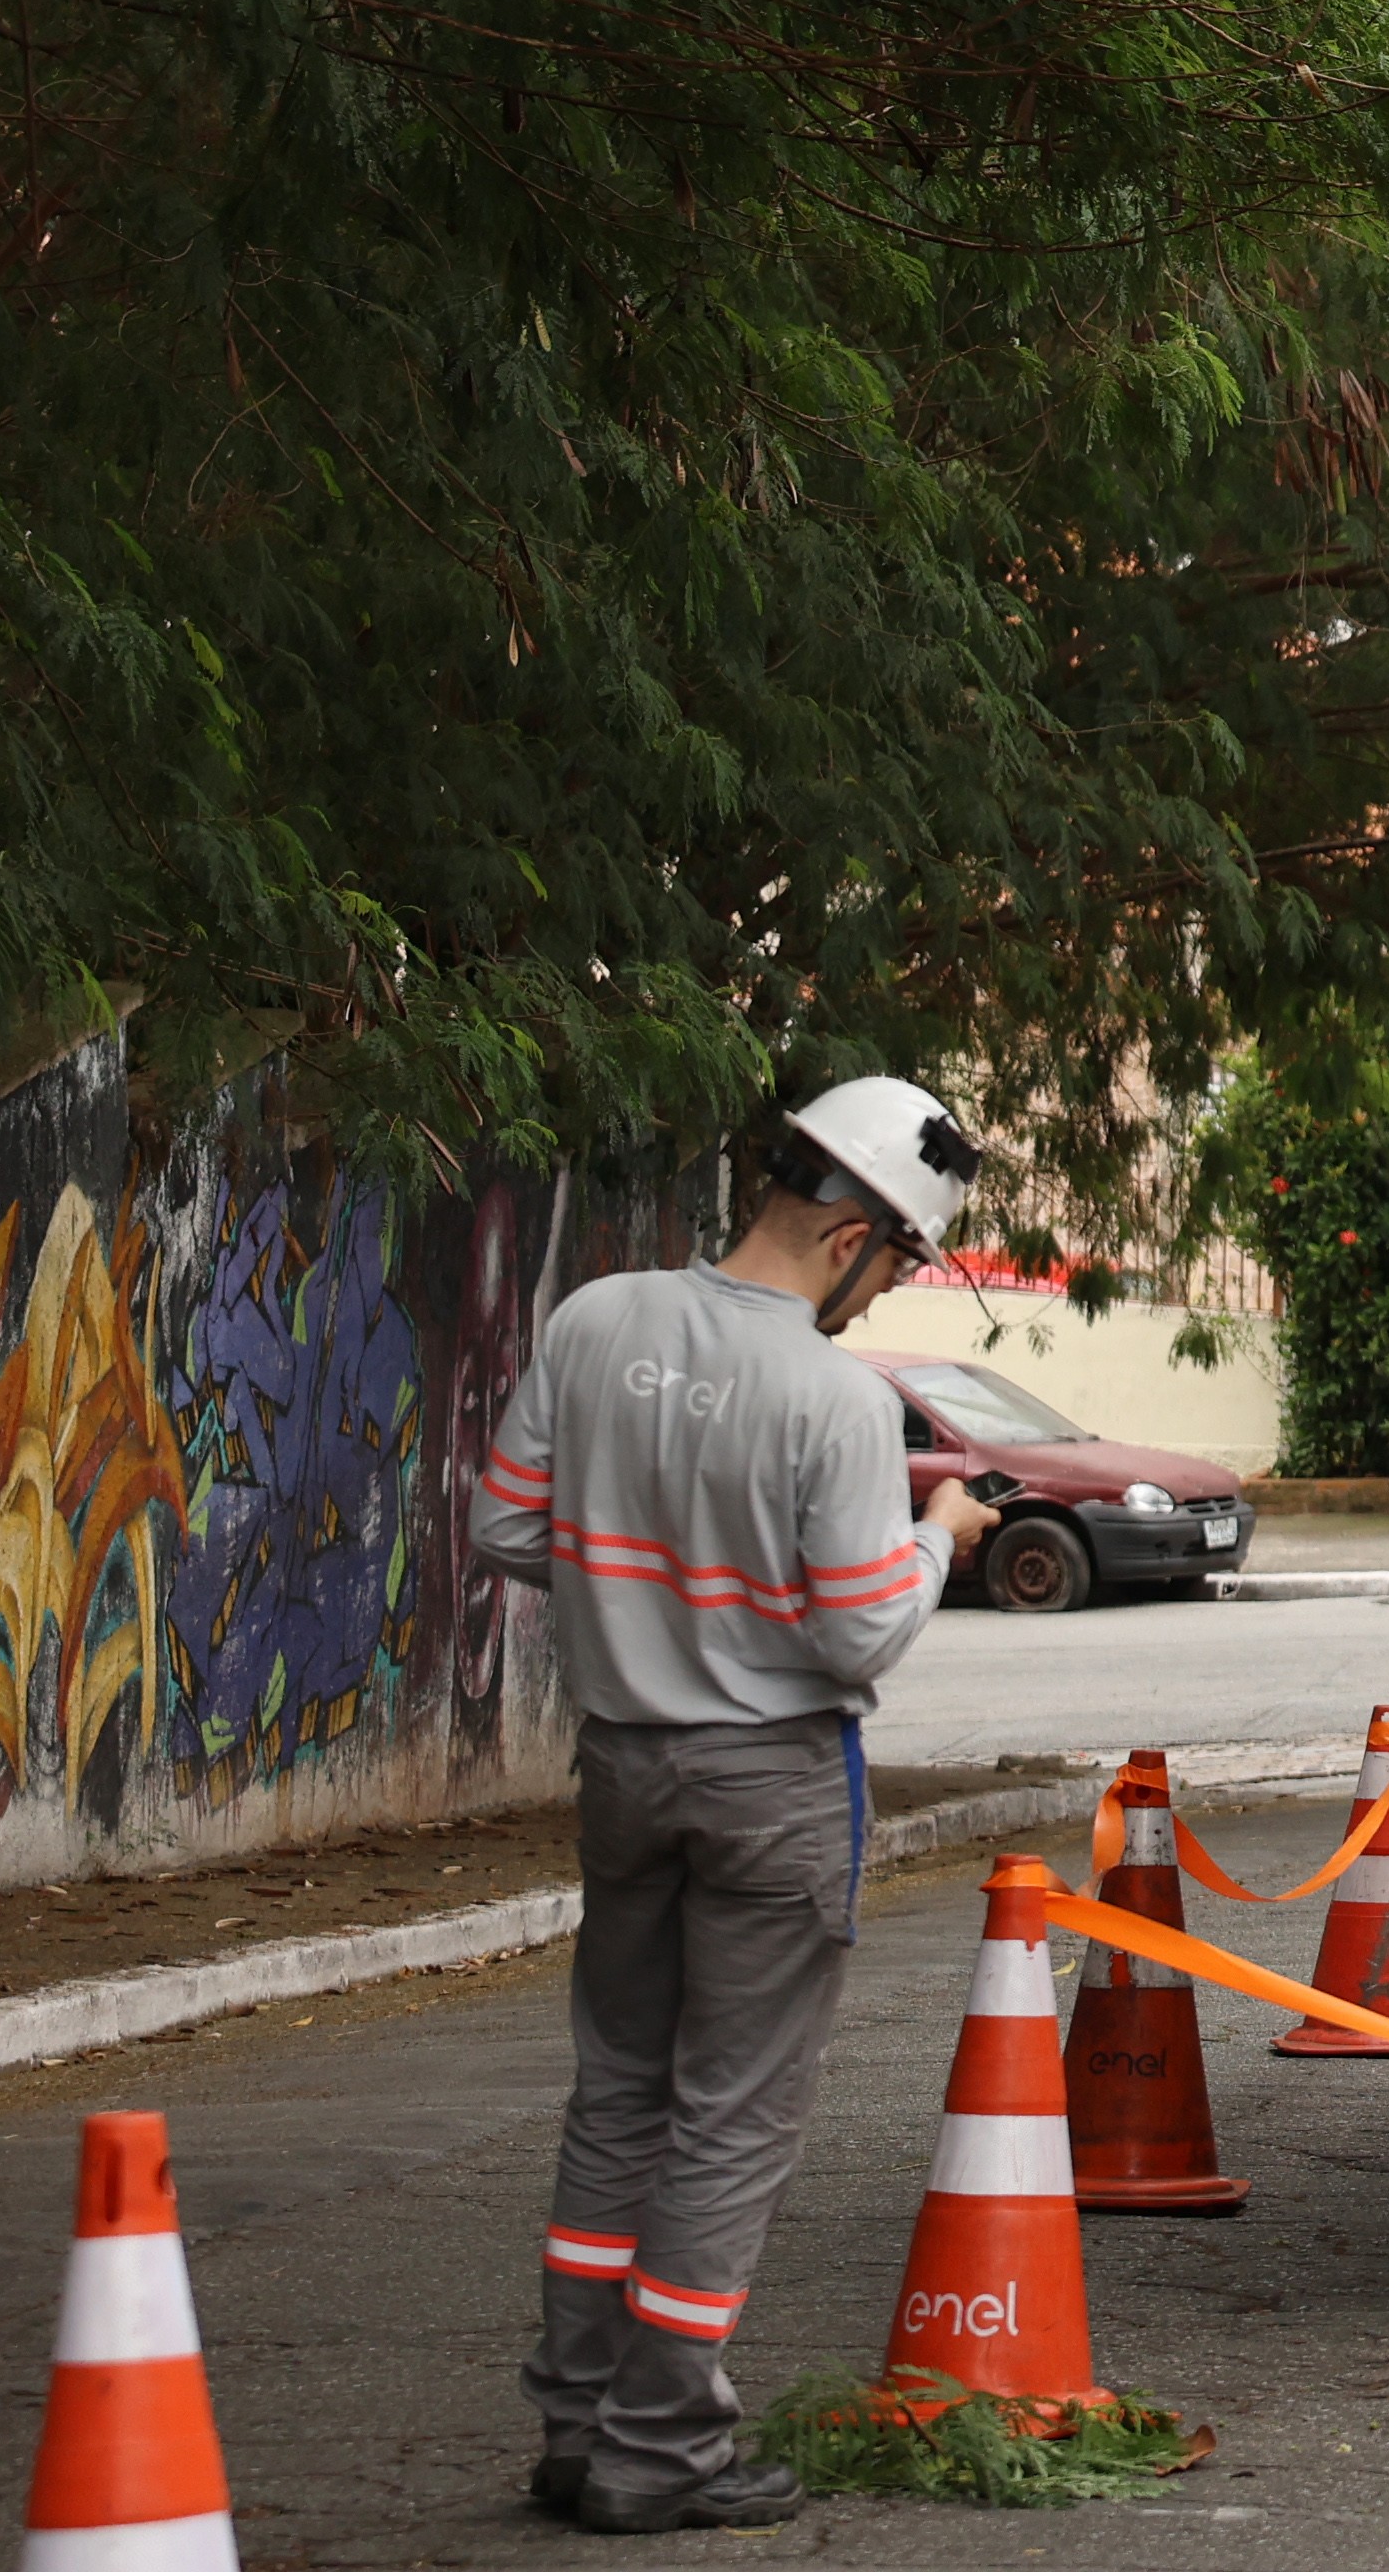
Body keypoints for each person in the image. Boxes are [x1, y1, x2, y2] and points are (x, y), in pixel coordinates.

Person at [472, 1076, 1006, 2532]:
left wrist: (638, 1581)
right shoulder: (832, 1398)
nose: (883, 1294)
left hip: (623, 1770)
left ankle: (577, 2430)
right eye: (895, 1265)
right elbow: (852, 1633)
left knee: (621, 2094)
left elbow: (507, 1522)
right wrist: (939, 1537)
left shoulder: (595, 1321)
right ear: (850, 1235)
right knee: (731, 2118)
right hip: (770, 1781)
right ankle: (661, 2455)